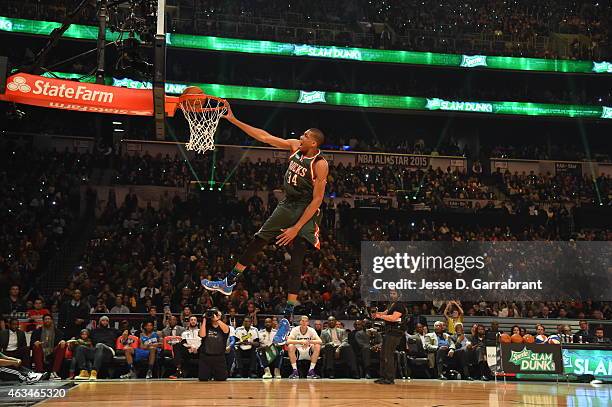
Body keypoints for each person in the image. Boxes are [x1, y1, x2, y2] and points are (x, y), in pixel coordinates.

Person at [202, 105, 328, 344]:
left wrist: (295, 228)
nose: (300, 137)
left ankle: (287, 317)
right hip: (288, 203)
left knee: (297, 259)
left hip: (307, 209)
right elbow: (264, 136)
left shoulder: (320, 163)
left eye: (305, 136)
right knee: (259, 239)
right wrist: (234, 119)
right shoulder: (294, 147)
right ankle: (229, 281)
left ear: (313, 143)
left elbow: (318, 199)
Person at [372, 290, 407, 384]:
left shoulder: (399, 305)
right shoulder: (391, 304)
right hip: (389, 332)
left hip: (395, 332)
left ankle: (390, 378)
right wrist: (376, 313)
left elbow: (393, 318)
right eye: (391, 293)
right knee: (383, 354)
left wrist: (379, 316)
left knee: (388, 355)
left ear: (399, 295)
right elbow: (385, 313)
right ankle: (383, 376)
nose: (391, 295)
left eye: (394, 294)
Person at [73, 316, 118, 380]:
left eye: (106, 321)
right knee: (81, 348)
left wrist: (126, 330)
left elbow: (125, 334)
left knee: (99, 345)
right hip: (96, 350)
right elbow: (83, 334)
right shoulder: (94, 331)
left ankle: (94, 372)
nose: (105, 322)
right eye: (103, 320)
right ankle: (84, 372)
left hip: (109, 352)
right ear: (99, 322)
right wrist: (76, 339)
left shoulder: (113, 330)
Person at [199, 308, 230, 381]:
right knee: (203, 379)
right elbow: (202, 335)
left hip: (219, 357)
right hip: (206, 357)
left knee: (221, 379)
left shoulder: (223, 326)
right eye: (214, 314)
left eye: (217, 314)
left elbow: (226, 330)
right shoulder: (206, 326)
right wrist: (204, 319)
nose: (215, 316)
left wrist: (217, 320)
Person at [30, 314, 65, 380]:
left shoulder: (58, 332)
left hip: (52, 352)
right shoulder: (37, 331)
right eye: (46, 319)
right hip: (41, 351)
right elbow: (32, 343)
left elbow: (61, 340)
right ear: (43, 321)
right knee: (37, 346)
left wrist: (62, 341)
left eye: (49, 319)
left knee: (62, 345)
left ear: (52, 320)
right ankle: (40, 372)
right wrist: (35, 343)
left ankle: (54, 372)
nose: (47, 320)